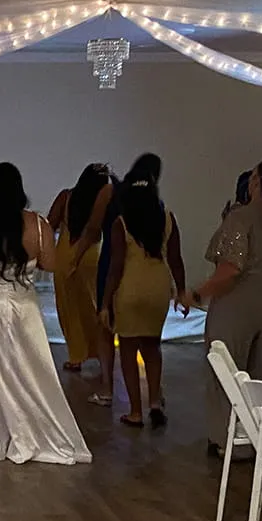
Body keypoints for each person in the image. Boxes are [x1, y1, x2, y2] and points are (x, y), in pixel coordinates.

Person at [0, 162, 91, 465]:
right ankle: (30, 431)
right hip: (22, 307)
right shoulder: (39, 224)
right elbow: (50, 264)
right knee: (29, 374)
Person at [193, 156, 262, 454]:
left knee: (227, 365)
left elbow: (231, 268)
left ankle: (228, 439)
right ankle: (260, 439)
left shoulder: (241, 217)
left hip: (239, 297)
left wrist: (197, 293)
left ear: (259, 182)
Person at [71, 153, 161, 406]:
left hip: (112, 262)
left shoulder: (112, 192)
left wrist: (75, 257)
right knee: (149, 339)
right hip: (148, 271)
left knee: (106, 326)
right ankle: (155, 396)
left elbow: (92, 229)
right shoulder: (156, 202)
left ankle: (108, 389)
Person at [101, 174, 188, 428]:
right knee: (153, 347)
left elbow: (115, 267)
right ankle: (154, 403)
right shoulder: (168, 219)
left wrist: (105, 303)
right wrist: (181, 291)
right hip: (158, 288)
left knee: (128, 351)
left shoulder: (121, 223)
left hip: (130, 289)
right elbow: (176, 259)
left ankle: (135, 412)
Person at [47, 164, 109, 371]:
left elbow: (50, 225)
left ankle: (76, 355)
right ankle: (101, 353)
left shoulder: (66, 197)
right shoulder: (103, 201)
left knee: (68, 307)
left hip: (64, 253)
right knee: (93, 305)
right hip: (92, 256)